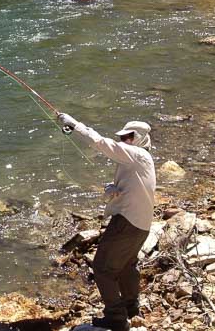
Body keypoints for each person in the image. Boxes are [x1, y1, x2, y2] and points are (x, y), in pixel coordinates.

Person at [57, 113, 156, 331]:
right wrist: (116, 191)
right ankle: (131, 309)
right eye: (123, 136)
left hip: (127, 223)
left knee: (102, 269)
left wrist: (74, 125)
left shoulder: (137, 154)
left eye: (129, 136)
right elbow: (139, 189)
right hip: (141, 225)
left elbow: (101, 143)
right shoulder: (142, 160)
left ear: (139, 138)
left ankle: (116, 319)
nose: (124, 140)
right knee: (127, 266)